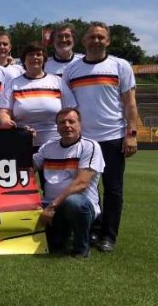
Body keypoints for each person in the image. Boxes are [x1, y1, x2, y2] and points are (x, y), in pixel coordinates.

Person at [63, 21, 139, 252]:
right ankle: (93, 231)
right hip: (85, 142)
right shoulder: (72, 69)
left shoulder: (120, 66)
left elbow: (130, 103)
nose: (96, 41)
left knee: (113, 189)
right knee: (87, 189)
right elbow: (70, 108)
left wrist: (131, 134)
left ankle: (108, 235)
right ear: (84, 41)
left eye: (101, 37)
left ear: (108, 41)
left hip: (113, 137)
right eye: (92, 37)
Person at [34, 108, 104, 258]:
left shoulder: (90, 147)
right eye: (62, 122)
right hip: (50, 205)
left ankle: (81, 248)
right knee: (55, 245)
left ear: (80, 124)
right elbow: (27, 166)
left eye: (71, 122)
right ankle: (61, 236)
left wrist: (53, 206)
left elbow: (81, 183)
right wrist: (24, 140)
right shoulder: (48, 147)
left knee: (74, 202)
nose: (67, 125)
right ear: (57, 127)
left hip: (76, 205)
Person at [0, 42, 77, 150]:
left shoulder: (57, 81)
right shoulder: (13, 84)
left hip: (56, 144)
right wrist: (6, 122)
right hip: (23, 143)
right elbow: (4, 111)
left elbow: (70, 110)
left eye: (38, 54)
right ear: (24, 60)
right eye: (30, 55)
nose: (35, 57)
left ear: (44, 59)